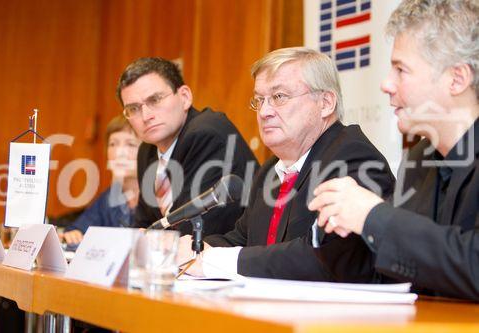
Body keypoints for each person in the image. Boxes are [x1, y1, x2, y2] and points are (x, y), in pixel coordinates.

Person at [309, 0, 478, 301]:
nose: (386, 84)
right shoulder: (419, 162)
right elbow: (392, 276)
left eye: (401, 70)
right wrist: (343, 226)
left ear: (457, 79)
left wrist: (373, 216)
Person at [176, 47, 395, 280]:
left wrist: (212, 261)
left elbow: (322, 256)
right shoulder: (271, 170)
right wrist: (189, 250)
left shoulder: (352, 157)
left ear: (325, 103)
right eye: (260, 100)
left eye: (279, 97)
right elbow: (242, 240)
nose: (264, 112)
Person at [116, 57, 258, 235]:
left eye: (155, 100)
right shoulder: (147, 151)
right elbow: (143, 224)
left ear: (185, 97)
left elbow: (196, 229)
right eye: (134, 109)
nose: (146, 116)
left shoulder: (208, 133)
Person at [63, 115, 141, 246]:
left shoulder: (159, 198)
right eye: (113, 144)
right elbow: (79, 228)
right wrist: (74, 234)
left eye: (130, 144)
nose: (119, 152)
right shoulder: (109, 197)